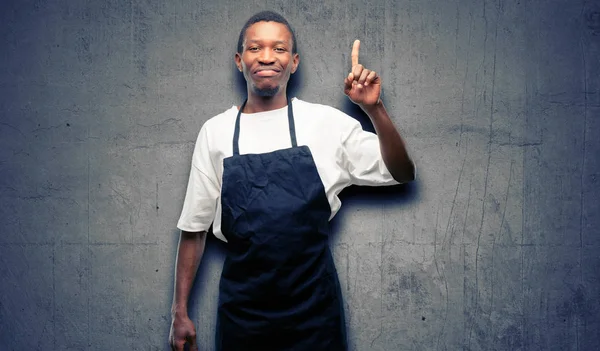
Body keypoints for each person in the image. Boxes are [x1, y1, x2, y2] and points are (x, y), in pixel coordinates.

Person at [169, 10, 416, 351]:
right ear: (239, 60)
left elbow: (402, 173)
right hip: (243, 313)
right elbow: (194, 229)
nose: (267, 57)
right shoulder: (216, 132)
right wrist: (179, 312)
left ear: (294, 61)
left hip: (314, 310)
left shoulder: (324, 123)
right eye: (255, 48)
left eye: (279, 49)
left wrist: (374, 110)